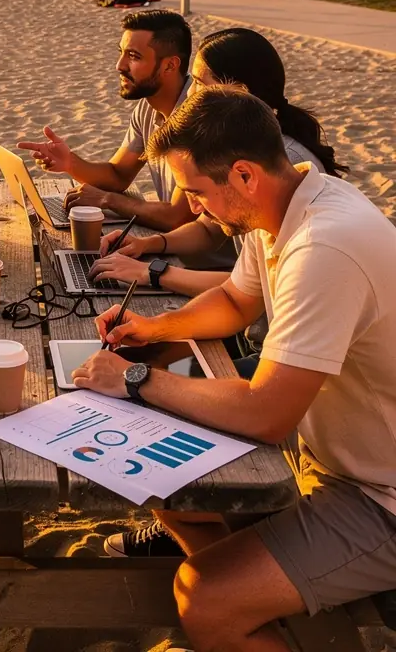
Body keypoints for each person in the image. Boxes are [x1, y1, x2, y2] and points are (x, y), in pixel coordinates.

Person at [74, 86, 396, 651]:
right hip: (335, 459)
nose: (193, 207)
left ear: (244, 176)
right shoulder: (283, 207)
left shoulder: (326, 247)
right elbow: (234, 302)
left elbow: (269, 412)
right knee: (166, 489)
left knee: (206, 599)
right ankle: (278, 607)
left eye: (196, 191)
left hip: (382, 495)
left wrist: (136, 379)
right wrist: (153, 331)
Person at [89, 27, 346, 297]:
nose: (188, 94)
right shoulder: (239, 145)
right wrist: (148, 244)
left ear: (237, 92)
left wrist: (152, 272)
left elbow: (257, 290)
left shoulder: (278, 162)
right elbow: (208, 229)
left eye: (199, 83)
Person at [19, 10, 195, 232]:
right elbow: (118, 175)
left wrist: (107, 200)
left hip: (202, 259)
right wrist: (70, 162)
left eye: (133, 56)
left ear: (169, 66)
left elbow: (176, 217)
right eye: (121, 53)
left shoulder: (199, 117)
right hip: (170, 242)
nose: (119, 66)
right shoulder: (147, 108)